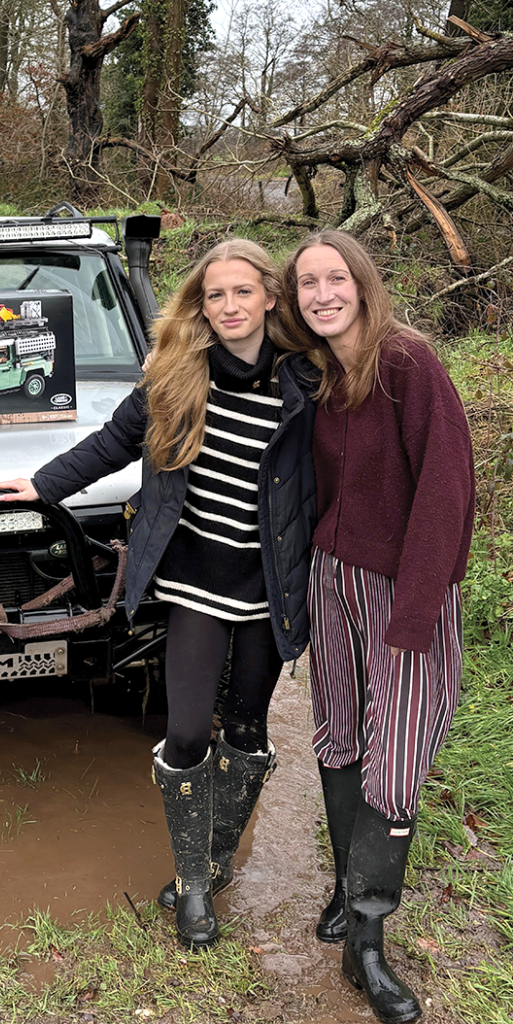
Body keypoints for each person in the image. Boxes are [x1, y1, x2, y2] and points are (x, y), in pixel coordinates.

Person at [0, 240, 318, 949]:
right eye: (214, 295)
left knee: (248, 730)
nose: (229, 306)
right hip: (194, 578)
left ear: (270, 297)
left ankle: (216, 861)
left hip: (268, 584)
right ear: (202, 305)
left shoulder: (304, 380)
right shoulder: (176, 374)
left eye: (242, 292)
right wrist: (44, 484)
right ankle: (192, 884)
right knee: (189, 731)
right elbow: (112, 443)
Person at [281, 230, 475, 1024]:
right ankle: (343, 885)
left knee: (393, 765)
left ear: (362, 283)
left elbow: (446, 486)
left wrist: (418, 609)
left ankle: (366, 940)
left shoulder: (407, 363)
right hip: (333, 582)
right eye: (307, 284)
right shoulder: (318, 373)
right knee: (340, 740)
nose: (323, 294)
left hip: (403, 588)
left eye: (335, 279)